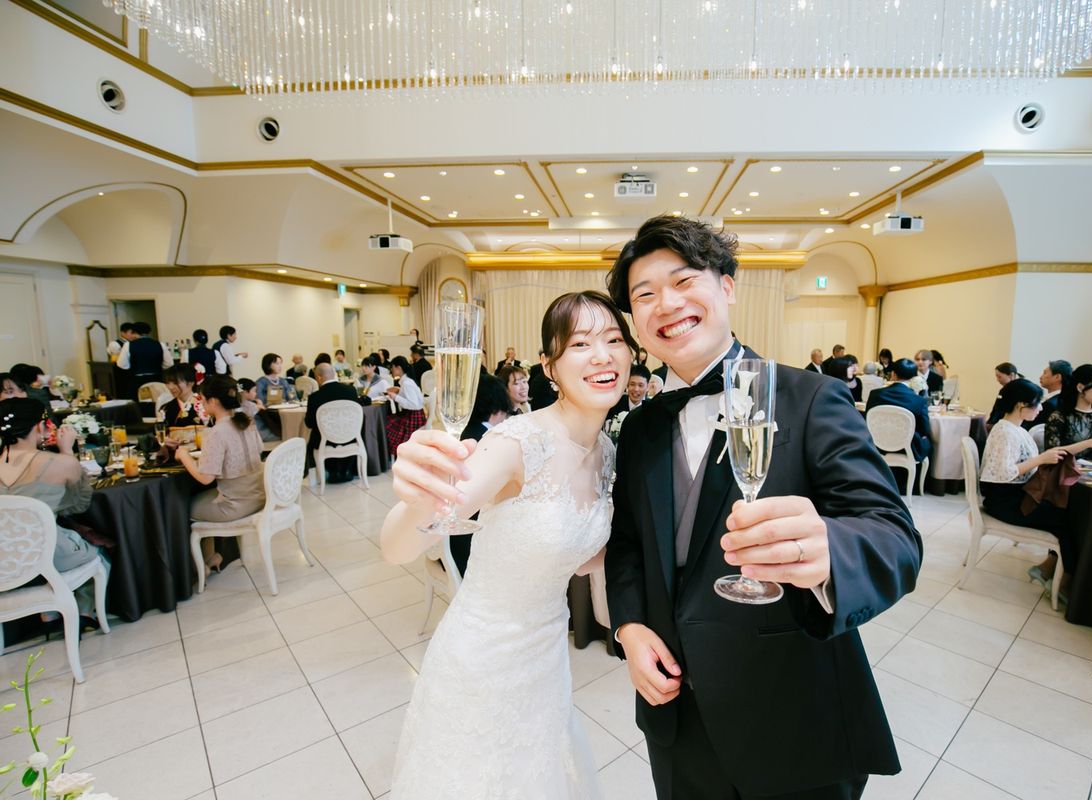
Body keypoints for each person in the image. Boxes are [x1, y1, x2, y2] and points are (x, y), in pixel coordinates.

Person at [602, 215, 920, 800]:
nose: (665, 304)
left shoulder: (811, 397)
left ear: (726, 287)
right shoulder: (641, 427)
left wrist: (829, 551)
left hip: (793, 716)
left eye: (683, 281)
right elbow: (627, 543)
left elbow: (894, 537)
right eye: (644, 295)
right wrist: (629, 627)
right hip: (677, 716)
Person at [382, 290, 632, 797]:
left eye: (613, 340)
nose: (602, 356)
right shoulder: (518, 443)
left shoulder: (606, 451)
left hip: (546, 656)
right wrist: (417, 496)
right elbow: (398, 548)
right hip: (481, 658)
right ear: (549, 366)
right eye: (580, 344)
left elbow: (581, 556)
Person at [981, 378, 1092, 598]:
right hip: (1005, 502)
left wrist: (1087, 444)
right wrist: (1041, 459)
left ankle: (1056, 573)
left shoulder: (1015, 429)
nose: (1041, 409)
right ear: (1021, 405)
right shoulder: (1005, 432)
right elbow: (1004, 473)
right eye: (1037, 404)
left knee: (1070, 516)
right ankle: (1066, 582)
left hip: (1016, 496)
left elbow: (1047, 457)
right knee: (1070, 520)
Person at [0, 398, 107, 625]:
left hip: (4, 562)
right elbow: (78, 505)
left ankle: (48, 613)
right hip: (48, 555)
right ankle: (84, 612)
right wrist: (66, 451)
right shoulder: (60, 463)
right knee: (99, 553)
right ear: (40, 427)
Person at [175, 375, 265, 574]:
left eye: (202, 399)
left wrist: (184, 456)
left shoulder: (216, 432)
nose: (201, 403)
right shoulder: (247, 422)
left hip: (235, 506)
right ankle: (212, 557)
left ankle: (197, 567)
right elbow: (259, 450)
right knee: (204, 497)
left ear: (213, 401)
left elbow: (206, 477)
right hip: (258, 497)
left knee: (178, 507)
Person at [449, 373, 513, 577]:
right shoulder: (486, 439)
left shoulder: (470, 430)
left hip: (459, 533)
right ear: (498, 403)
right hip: (472, 540)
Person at [1044, 365, 1092, 460]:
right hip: (1068, 468)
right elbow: (1051, 453)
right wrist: (1088, 443)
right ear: (1080, 387)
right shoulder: (1059, 416)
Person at [866, 358, 932, 463]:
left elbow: (868, 419)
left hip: (877, 445)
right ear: (913, 377)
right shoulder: (919, 400)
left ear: (893, 374)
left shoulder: (875, 394)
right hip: (908, 448)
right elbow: (924, 429)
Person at [305, 363, 361, 483]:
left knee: (314, 434)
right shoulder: (350, 390)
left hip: (325, 440)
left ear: (318, 377)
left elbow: (309, 423)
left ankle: (328, 471)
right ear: (334, 374)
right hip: (350, 437)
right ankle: (347, 469)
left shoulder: (314, 397)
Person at [116, 322, 173, 399]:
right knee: (158, 401)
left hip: (137, 381)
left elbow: (122, 364)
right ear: (149, 332)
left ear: (134, 332)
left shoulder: (129, 345)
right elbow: (169, 364)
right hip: (157, 379)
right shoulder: (160, 344)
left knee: (140, 403)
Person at [384, 357, 428, 454]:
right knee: (389, 420)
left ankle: (394, 453)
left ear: (398, 368)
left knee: (386, 424)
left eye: (392, 367)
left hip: (413, 418)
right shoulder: (408, 381)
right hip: (415, 415)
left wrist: (395, 397)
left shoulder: (407, 383)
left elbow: (414, 405)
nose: (391, 370)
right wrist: (399, 391)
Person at [1030, 359, 1071, 427]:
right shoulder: (1065, 399)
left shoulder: (1050, 404)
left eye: (1045, 373)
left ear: (1057, 377)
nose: (1040, 377)